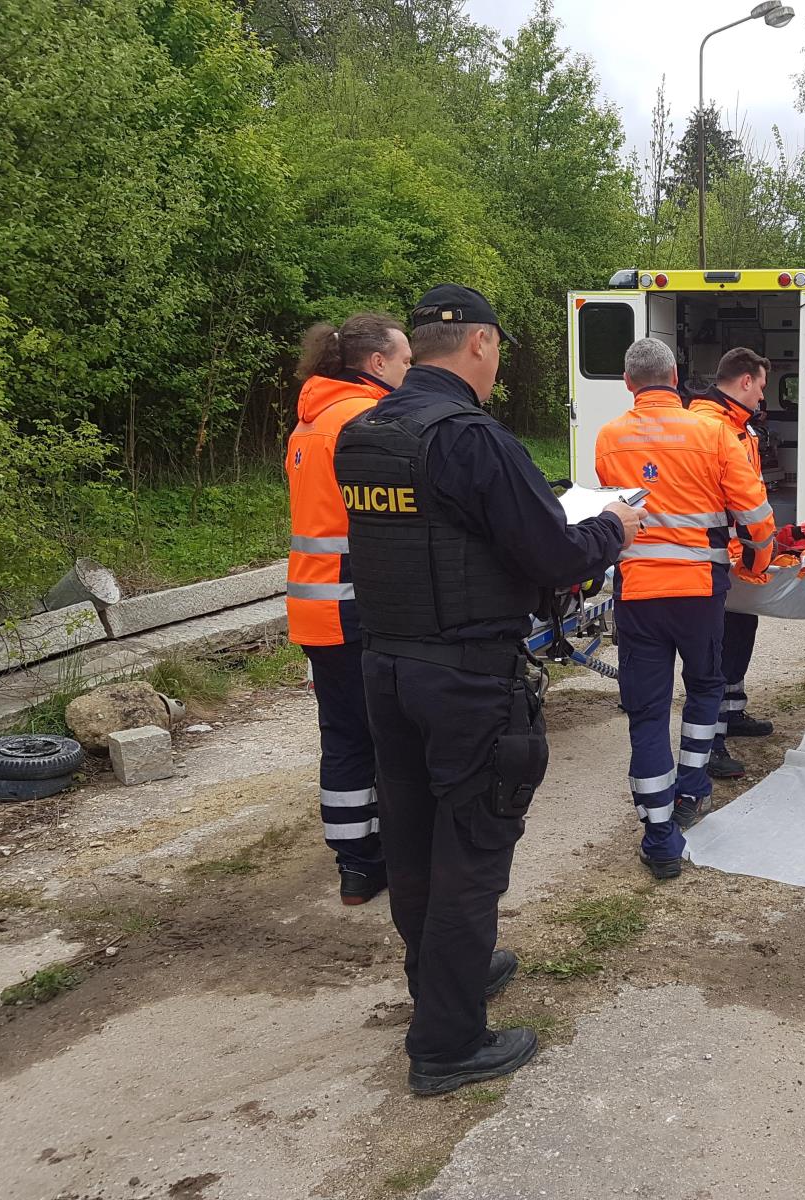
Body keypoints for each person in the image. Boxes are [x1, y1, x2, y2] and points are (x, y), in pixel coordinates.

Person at [335, 284, 643, 1096]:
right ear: (480, 345)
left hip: (386, 667)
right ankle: (449, 1042)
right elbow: (552, 556)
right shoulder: (473, 438)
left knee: (412, 843)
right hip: (465, 677)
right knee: (472, 851)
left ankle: (443, 981)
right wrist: (615, 529)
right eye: (499, 346)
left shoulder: (364, 431)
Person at [596, 338, 775, 880]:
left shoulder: (609, 437)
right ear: (675, 377)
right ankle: (693, 790)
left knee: (646, 713)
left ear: (629, 383)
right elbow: (757, 517)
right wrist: (758, 561)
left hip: (640, 596)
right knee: (704, 690)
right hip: (700, 592)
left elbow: (610, 512)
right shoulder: (714, 432)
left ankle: (659, 836)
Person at [286, 313, 410, 905]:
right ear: (378, 363)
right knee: (388, 736)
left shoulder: (307, 425)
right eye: (406, 360)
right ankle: (392, 848)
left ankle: (355, 867)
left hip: (313, 606)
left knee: (341, 737)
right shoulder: (365, 420)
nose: (411, 371)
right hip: (359, 603)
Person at [687, 347, 779, 780]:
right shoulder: (713, 427)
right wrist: (762, 551)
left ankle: (733, 714)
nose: (763, 398)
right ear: (745, 381)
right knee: (718, 648)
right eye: (761, 388)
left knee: (741, 631)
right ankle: (713, 740)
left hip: (733, 554)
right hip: (713, 555)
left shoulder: (736, 426)